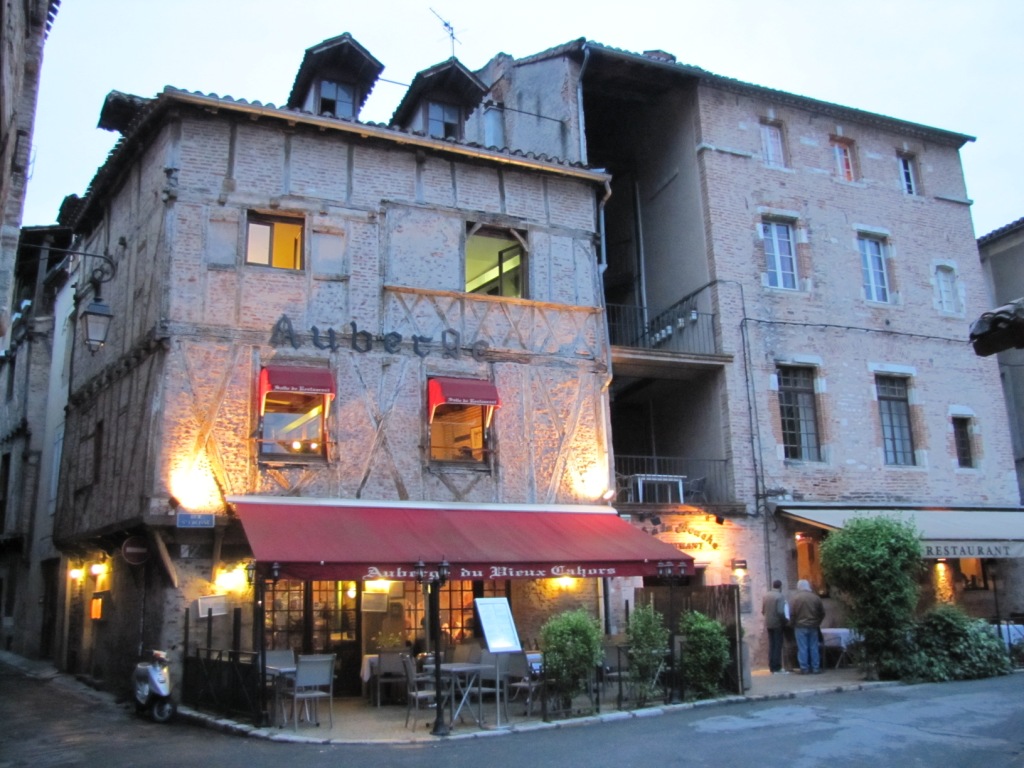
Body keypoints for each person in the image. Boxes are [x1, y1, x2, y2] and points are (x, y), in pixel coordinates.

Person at [788, 579, 826, 674]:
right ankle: (815, 667)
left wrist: (792, 624)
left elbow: (792, 614)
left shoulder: (795, 598)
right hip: (813, 626)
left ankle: (804, 668)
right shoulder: (815, 597)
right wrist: (817, 622)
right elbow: (822, 613)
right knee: (814, 647)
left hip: (800, 626)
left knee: (802, 647)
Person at [761, 579, 788, 674]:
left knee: (772, 645)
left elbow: (763, 611)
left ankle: (771, 666)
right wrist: (785, 620)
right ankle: (777, 667)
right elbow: (781, 611)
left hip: (768, 623)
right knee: (777, 645)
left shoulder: (766, 595)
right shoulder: (780, 596)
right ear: (780, 586)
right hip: (777, 624)